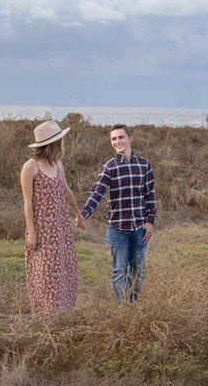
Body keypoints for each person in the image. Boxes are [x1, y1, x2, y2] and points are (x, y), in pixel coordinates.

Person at [76, 124, 157, 303]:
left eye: (121, 137)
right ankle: (124, 310)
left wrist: (150, 222)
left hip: (139, 229)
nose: (117, 141)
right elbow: (97, 193)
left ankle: (133, 306)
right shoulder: (109, 167)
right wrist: (84, 214)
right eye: (113, 139)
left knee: (139, 272)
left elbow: (150, 195)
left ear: (130, 139)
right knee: (120, 271)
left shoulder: (144, 165)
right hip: (117, 229)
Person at [20, 120, 82, 314]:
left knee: (63, 268)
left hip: (60, 226)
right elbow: (27, 201)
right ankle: (45, 313)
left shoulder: (58, 165)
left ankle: (63, 312)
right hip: (42, 228)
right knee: (45, 272)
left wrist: (78, 213)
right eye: (60, 141)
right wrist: (31, 231)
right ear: (53, 144)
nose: (63, 144)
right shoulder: (30, 167)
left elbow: (65, 190)